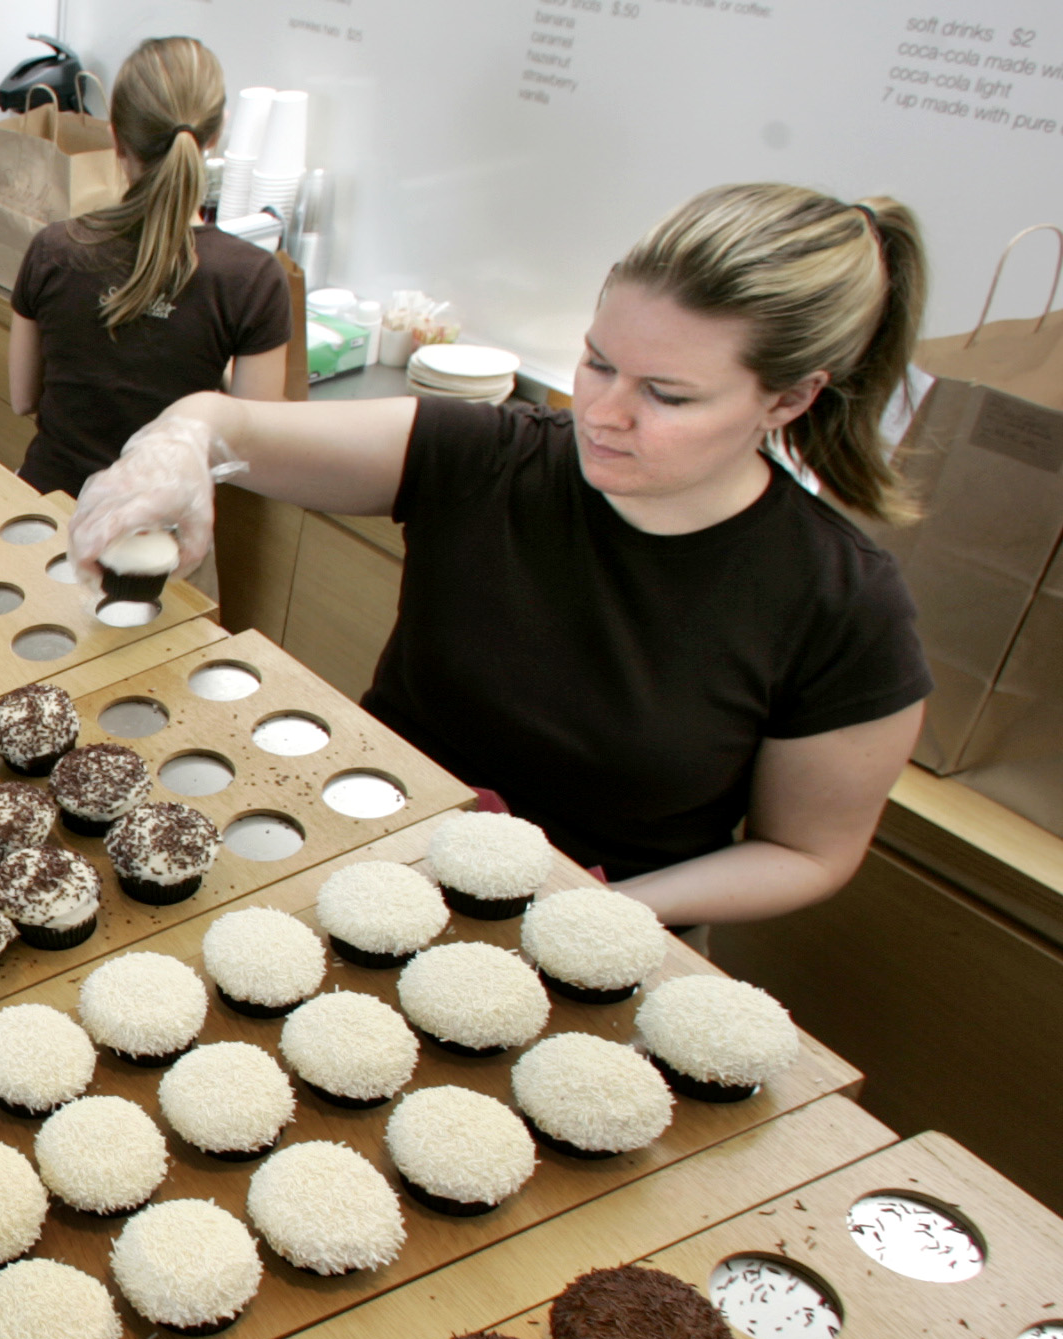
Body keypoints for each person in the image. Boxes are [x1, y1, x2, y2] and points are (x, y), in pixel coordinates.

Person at [69, 182, 931, 926]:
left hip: (592, 920)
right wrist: (179, 444)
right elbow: (231, 423)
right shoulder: (497, 459)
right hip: (369, 855)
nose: (604, 413)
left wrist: (608, 909)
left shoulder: (842, 604)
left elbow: (808, 852)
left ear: (790, 398)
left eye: (666, 394)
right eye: (597, 363)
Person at [8, 36, 292, 494]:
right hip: (161, 532)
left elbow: (23, 397)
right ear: (215, 136)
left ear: (115, 134)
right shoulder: (251, 278)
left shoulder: (54, 248)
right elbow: (252, 449)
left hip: (48, 509)